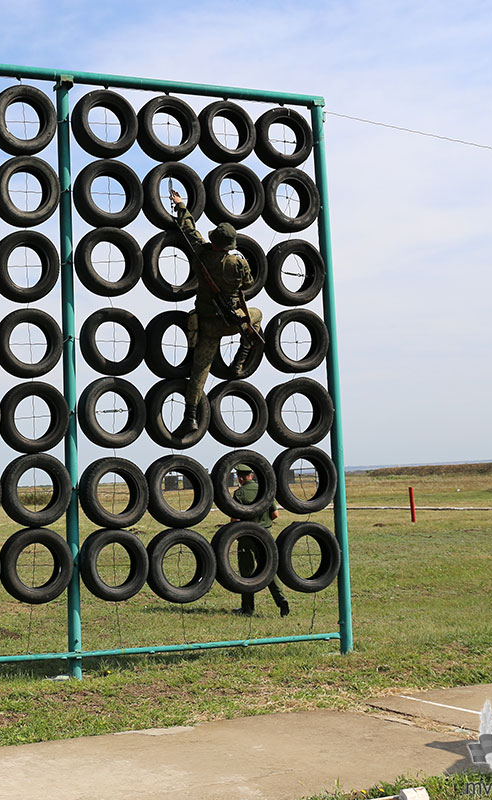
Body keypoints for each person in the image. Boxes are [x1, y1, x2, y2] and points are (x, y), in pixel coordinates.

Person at [169, 191, 263, 439]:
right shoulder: (237, 263)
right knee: (257, 315)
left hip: (208, 324)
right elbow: (248, 283)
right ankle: (240, 360)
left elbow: (189, 230)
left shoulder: (202, 253)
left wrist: (181, 205)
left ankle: (190, 416)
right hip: (233, 322)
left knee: (200, 370)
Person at [230, 465, 289, 617]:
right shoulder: (264, 490)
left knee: (247, 572)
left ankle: (247, 608)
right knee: (269, 569)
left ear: (240, 477)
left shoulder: (239, 494)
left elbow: (235, 520)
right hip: (265, 536)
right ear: (251, 475)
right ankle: (281, 599)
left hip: (247, 536)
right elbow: (275, 514)